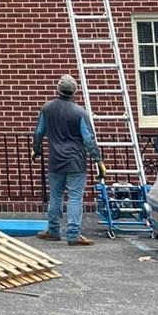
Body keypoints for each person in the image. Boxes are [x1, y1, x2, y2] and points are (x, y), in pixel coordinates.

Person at [32, 74, 100, 246]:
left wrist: (36, 149)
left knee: (55, 196)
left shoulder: (47, 108)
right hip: (76, 161)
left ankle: (53, 231)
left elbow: (39, 131)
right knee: (75, 197)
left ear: (58, 89)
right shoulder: (79, 112)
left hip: (55, 160)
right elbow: (88, 139)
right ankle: (73, 234)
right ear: (74, 92)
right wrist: (98, 160)